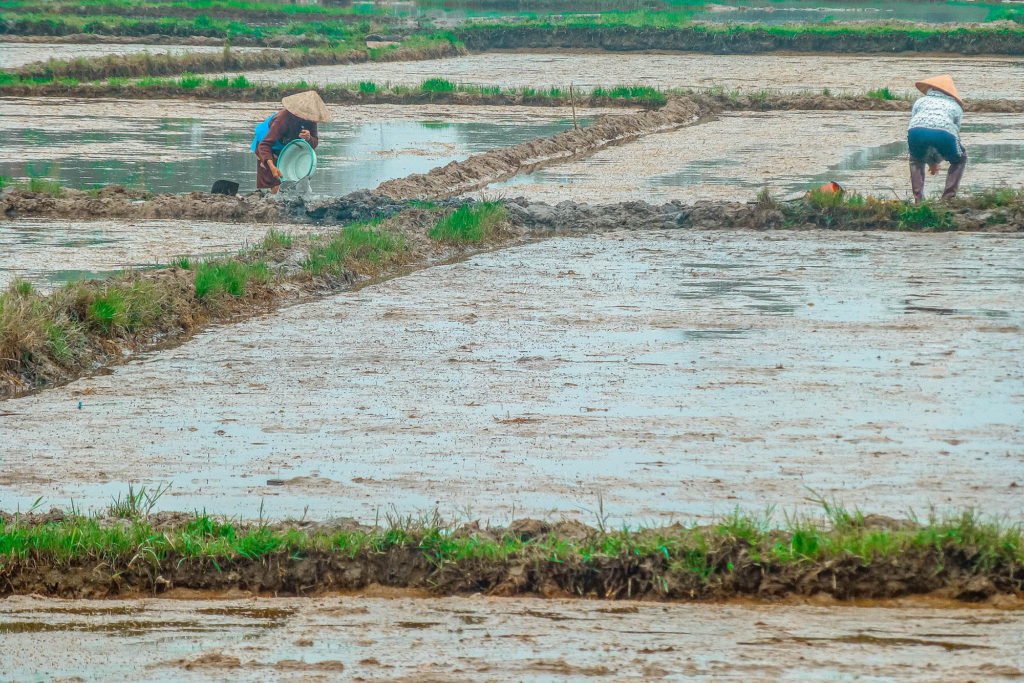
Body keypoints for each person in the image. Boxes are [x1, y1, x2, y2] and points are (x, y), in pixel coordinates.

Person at [252, 90, 332, 194]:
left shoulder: (311, 120)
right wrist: (272, 167)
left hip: (285, 147)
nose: (306, 117)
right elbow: (265, 145)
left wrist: (309, 138)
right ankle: (271, 202)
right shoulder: (283, 119)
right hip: (266, 146)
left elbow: (314, 142)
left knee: (291, 183)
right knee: (276, 184)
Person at [907, 75, 966, 203]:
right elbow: (954, 134)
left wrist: (932, 162)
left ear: (932, 88)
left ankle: (918, 199)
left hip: (915, 132)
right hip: (944, 133)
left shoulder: (920, 101)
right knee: (960, 158)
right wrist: (935, 161)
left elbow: (918, 124)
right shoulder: (955, 106)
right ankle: (947, 198)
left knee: (915, 159)